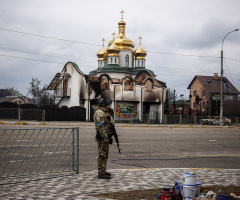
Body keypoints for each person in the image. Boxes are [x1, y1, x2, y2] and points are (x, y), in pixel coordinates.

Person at [93, 98, 115, 179]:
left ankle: (103, 170)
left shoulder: (105, 112)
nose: (109, 106)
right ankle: (101, 173)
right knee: (102, 155)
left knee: (105, 155)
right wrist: (105, 137)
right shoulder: (100, 113)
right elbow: (100, 126)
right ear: (104, 105)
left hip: (106, 137)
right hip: (103, 137)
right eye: (107, 105)